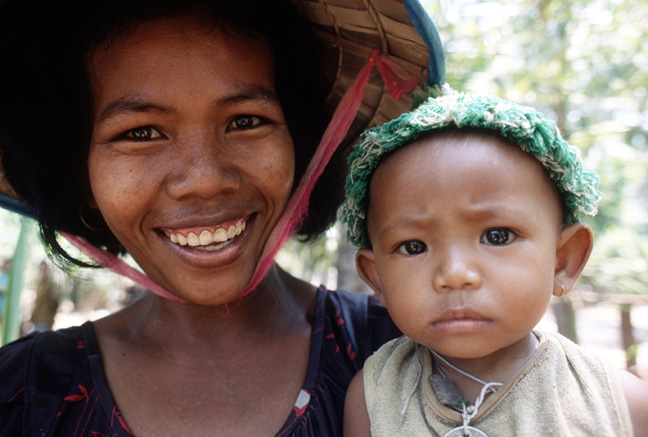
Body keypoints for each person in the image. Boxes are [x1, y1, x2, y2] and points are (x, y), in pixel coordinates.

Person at [0, 0, 445, 434]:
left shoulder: (420, 349)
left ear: (303, 146)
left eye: (246, 121)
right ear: (82, 175)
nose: (206, 180)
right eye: (140, 133)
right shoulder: (23, 391)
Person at [341, 91, 648, 436]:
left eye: (497, 236)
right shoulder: (372, 399)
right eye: (414, 246)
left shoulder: (621, 405)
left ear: (563, 260)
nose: (455, 274)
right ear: (377, 278)